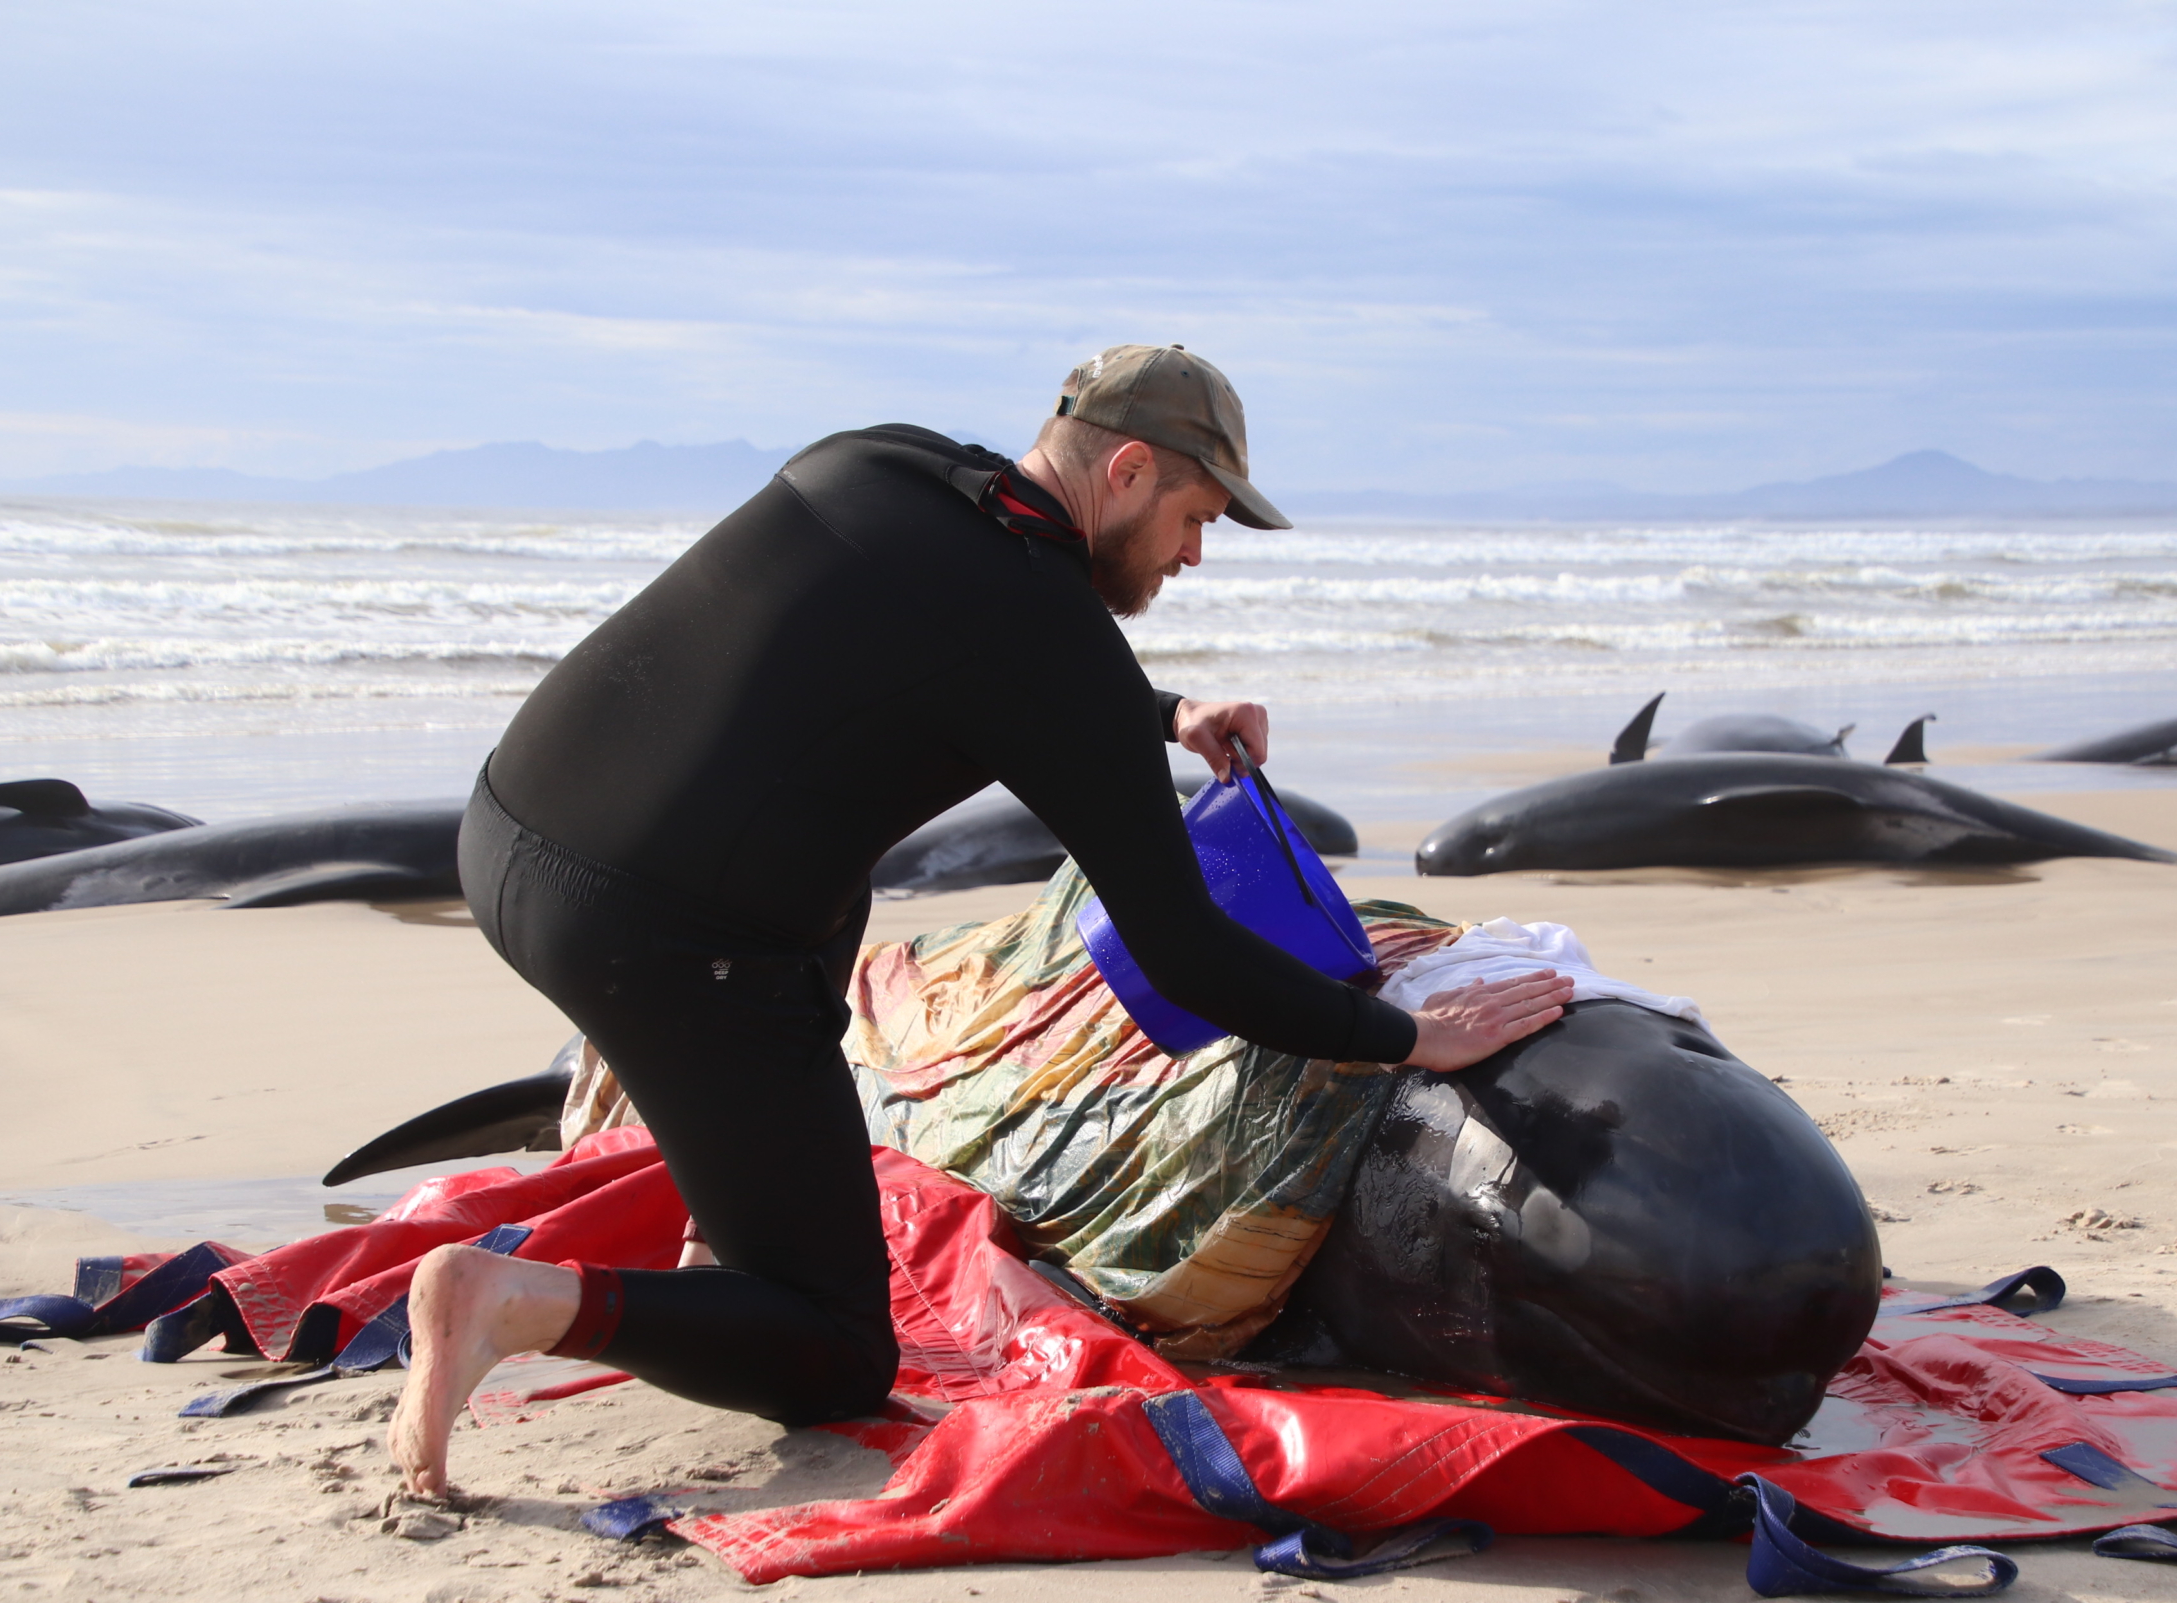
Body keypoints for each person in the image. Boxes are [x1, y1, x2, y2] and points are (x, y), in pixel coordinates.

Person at [390, 345, 1572, 1494]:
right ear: (1125, 475)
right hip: (655, 941)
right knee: (838, 1350)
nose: (1196, 555)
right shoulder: (1053, 639)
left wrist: (1154, 714)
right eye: (1194, 517)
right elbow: (1188, 956)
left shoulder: (881, 463)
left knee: (823, 874)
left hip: (503, 833)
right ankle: (511, 1301)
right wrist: (1412, 1039)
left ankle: (717, 1226)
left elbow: (937, 648)